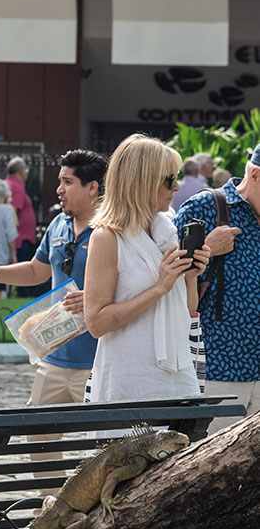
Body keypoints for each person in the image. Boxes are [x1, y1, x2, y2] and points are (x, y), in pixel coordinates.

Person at [0, 150, 107, 477]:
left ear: (93, 188)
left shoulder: (113, 230)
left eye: (67, 182)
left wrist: (96, 298)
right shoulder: (58, 224)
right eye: (60, 181)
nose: (59, 189)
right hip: (54, 356)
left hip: (100, 361)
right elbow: (36, 271)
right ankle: (51, 506)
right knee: (39, 440)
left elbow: (131, 282)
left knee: (103, 444)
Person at [83, 134, 210, 403]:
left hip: (176, 378)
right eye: (169, 180)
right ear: (143, 182)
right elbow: (96, 322)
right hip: (128, 380)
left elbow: (187, 313)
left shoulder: (167, 231)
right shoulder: (107, 237)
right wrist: (160, 287)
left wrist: (190, 277)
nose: (176, 188)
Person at [173, 146, 260, 433]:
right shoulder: (205, 207)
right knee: (206, 471)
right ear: (256, 174)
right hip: (216, 371)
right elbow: (165, 280)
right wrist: (208, 248)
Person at [5, 157, 38, 296]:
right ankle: (22, 295)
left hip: (19, 238)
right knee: (23, 273)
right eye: (25, 169)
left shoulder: (7, 184)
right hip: (21, 239)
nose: (27, 172)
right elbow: (13, 212)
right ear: (20, 171)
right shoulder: (17, 187)